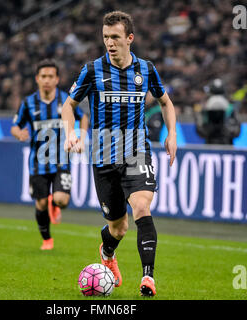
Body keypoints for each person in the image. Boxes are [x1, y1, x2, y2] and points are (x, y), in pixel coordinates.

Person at [61, 11, 177, 296]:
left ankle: (147, 278)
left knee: (141, 208)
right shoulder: (92, 70)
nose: (110, 43)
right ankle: (107, 253)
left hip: (137, 152)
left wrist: (171, 134)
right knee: (118, 227)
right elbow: (68, 107)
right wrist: (70, 132)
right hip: (103, 159)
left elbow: (166, 102)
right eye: (105, 37)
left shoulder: (146, 69)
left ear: (129, 38)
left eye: (115, 37)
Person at [11, 59, 88, 250]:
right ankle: (47, 239)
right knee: (41, 202)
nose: (46, 80)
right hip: (37, 162)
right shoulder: (28, 103)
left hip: (62, 159)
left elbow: (83, 117)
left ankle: (56, 203)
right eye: (43, 76)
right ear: (37, 79)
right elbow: (15, 125)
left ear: (57, 79)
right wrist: (19, 133)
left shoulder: (66, 101)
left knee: (61, 200)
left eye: (50, 76)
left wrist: (81, 137)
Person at [195, 78, 241, 144]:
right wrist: (210, 128)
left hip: (227, 144)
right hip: (209, 144)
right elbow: (200, 131)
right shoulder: (204, 110)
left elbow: (237, 131)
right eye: (214, 95)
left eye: (220, 94)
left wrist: (225, 128)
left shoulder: (231, 109)